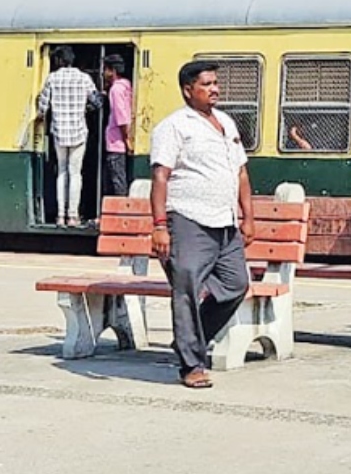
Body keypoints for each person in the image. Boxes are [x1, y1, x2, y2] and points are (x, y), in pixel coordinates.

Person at [149, 60, 255, 390]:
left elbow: (240, 172)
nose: (215, 89)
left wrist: (248, 216)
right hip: (189, 220)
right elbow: (160, 176)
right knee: (186, 290)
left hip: (225, 221)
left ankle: (189, 340)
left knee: (236, 284)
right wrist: (159, 225)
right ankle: (191, 363)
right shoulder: (174, 127)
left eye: (215, 83)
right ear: (187, 90)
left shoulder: (226, 123)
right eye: (207, 84)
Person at [35, 46, 100, 228]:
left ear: (58, 61)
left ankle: (60, 216)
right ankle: (73, 216)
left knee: (62, 172)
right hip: (79, 131)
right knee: (75, 173)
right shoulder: (84, 78)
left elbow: (42, 108)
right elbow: (96, 102)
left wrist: (41, 116)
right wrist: (84, 109)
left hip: (59, 131)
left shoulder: (52, 79)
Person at [102, 54, 134, 199]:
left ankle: (120, 213)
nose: (103, 74)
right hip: (121, 140)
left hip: (116, 142)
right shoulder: (126, 86)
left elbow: (121, 117)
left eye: (105, 70)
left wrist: (126, 139)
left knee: (117, 181)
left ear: (112, 71)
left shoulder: (116, 90)